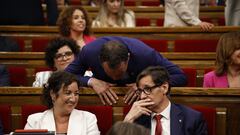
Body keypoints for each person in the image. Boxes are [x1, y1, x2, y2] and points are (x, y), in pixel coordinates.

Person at [65, 36, 187, 105]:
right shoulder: (89, 52)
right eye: (110, 74)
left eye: (119, 73)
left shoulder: (145, 54)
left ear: (128, 58)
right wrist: (91, 81)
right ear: (99, 60)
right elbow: (65, 75)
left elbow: (180, 76)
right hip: (102, 103)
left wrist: (145, 85)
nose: (114, 79)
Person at [124, 66, 208, 134]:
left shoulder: (191, 118)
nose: (142, 96)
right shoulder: (137, 119)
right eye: (140, 91)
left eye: (148, 89)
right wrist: (128, 120)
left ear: (164, 88)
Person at [25, 71, 100, 135]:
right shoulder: (34, 121)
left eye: (76, 93)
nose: (73, 99)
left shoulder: (88, 119)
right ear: (53, 94)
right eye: (68, 93)